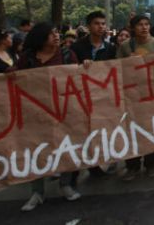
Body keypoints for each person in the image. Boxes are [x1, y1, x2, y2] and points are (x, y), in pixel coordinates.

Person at [13, 23, 83, 211]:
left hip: (64, 110)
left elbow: (77, 77)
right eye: (51, 34)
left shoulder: (67, 55)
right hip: (34, 112)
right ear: (39, 38)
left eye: (56, 33)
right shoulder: (27, 58)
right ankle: (37, 192)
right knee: (36, 149)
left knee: (67, 146)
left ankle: (66, 185)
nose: (56, 36)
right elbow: (10, 78)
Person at [117, 14, 154, 181]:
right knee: (131, 131)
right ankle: (132, 166)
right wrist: (128, 62)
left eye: (146, 24)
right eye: (140, 25)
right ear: (132, 28)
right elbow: (116, 69)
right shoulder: (125, 46)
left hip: (151, 94)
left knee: (151, 128)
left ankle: (151, 164)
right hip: (131, 96)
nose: (144, 27)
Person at [70, 11, 117, 177]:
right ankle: (89, 167)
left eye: (103, 24)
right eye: (97, 23)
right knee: (85, 133)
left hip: (103, 97)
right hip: (81, 97)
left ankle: (104, 161)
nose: (101, 27)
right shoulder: (76, 47)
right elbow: (69, 70)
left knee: (103, 130)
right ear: (89, 26)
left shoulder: (111, 48)